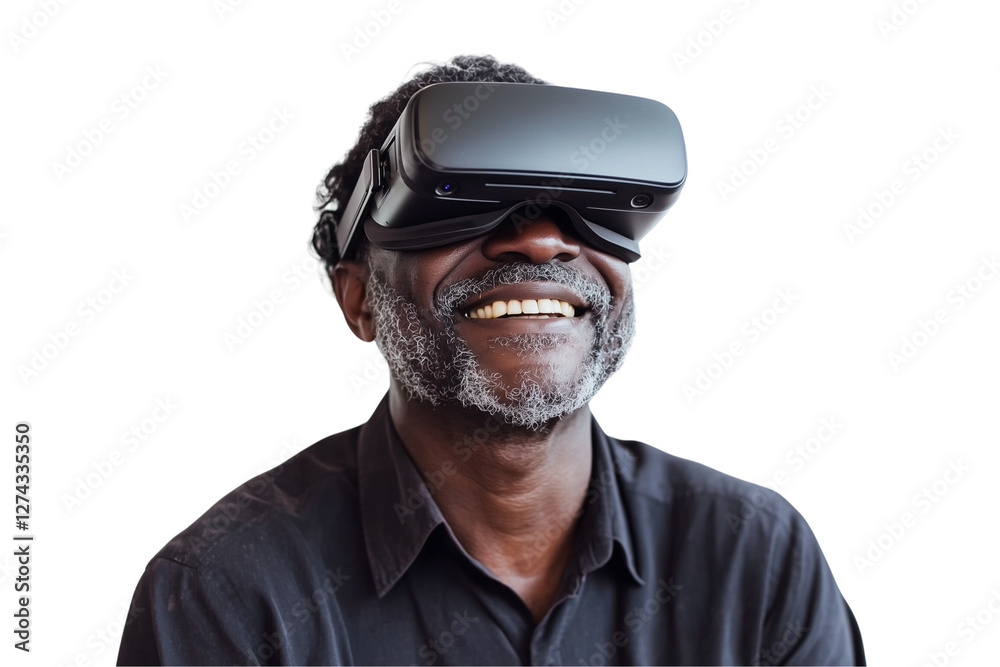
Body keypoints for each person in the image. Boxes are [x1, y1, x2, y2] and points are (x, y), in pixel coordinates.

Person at [118, 55, 865, 666]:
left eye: (578, 205)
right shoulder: (230, 594)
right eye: (462, 201)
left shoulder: (756, 560)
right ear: (360, 300)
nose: (540, 240)